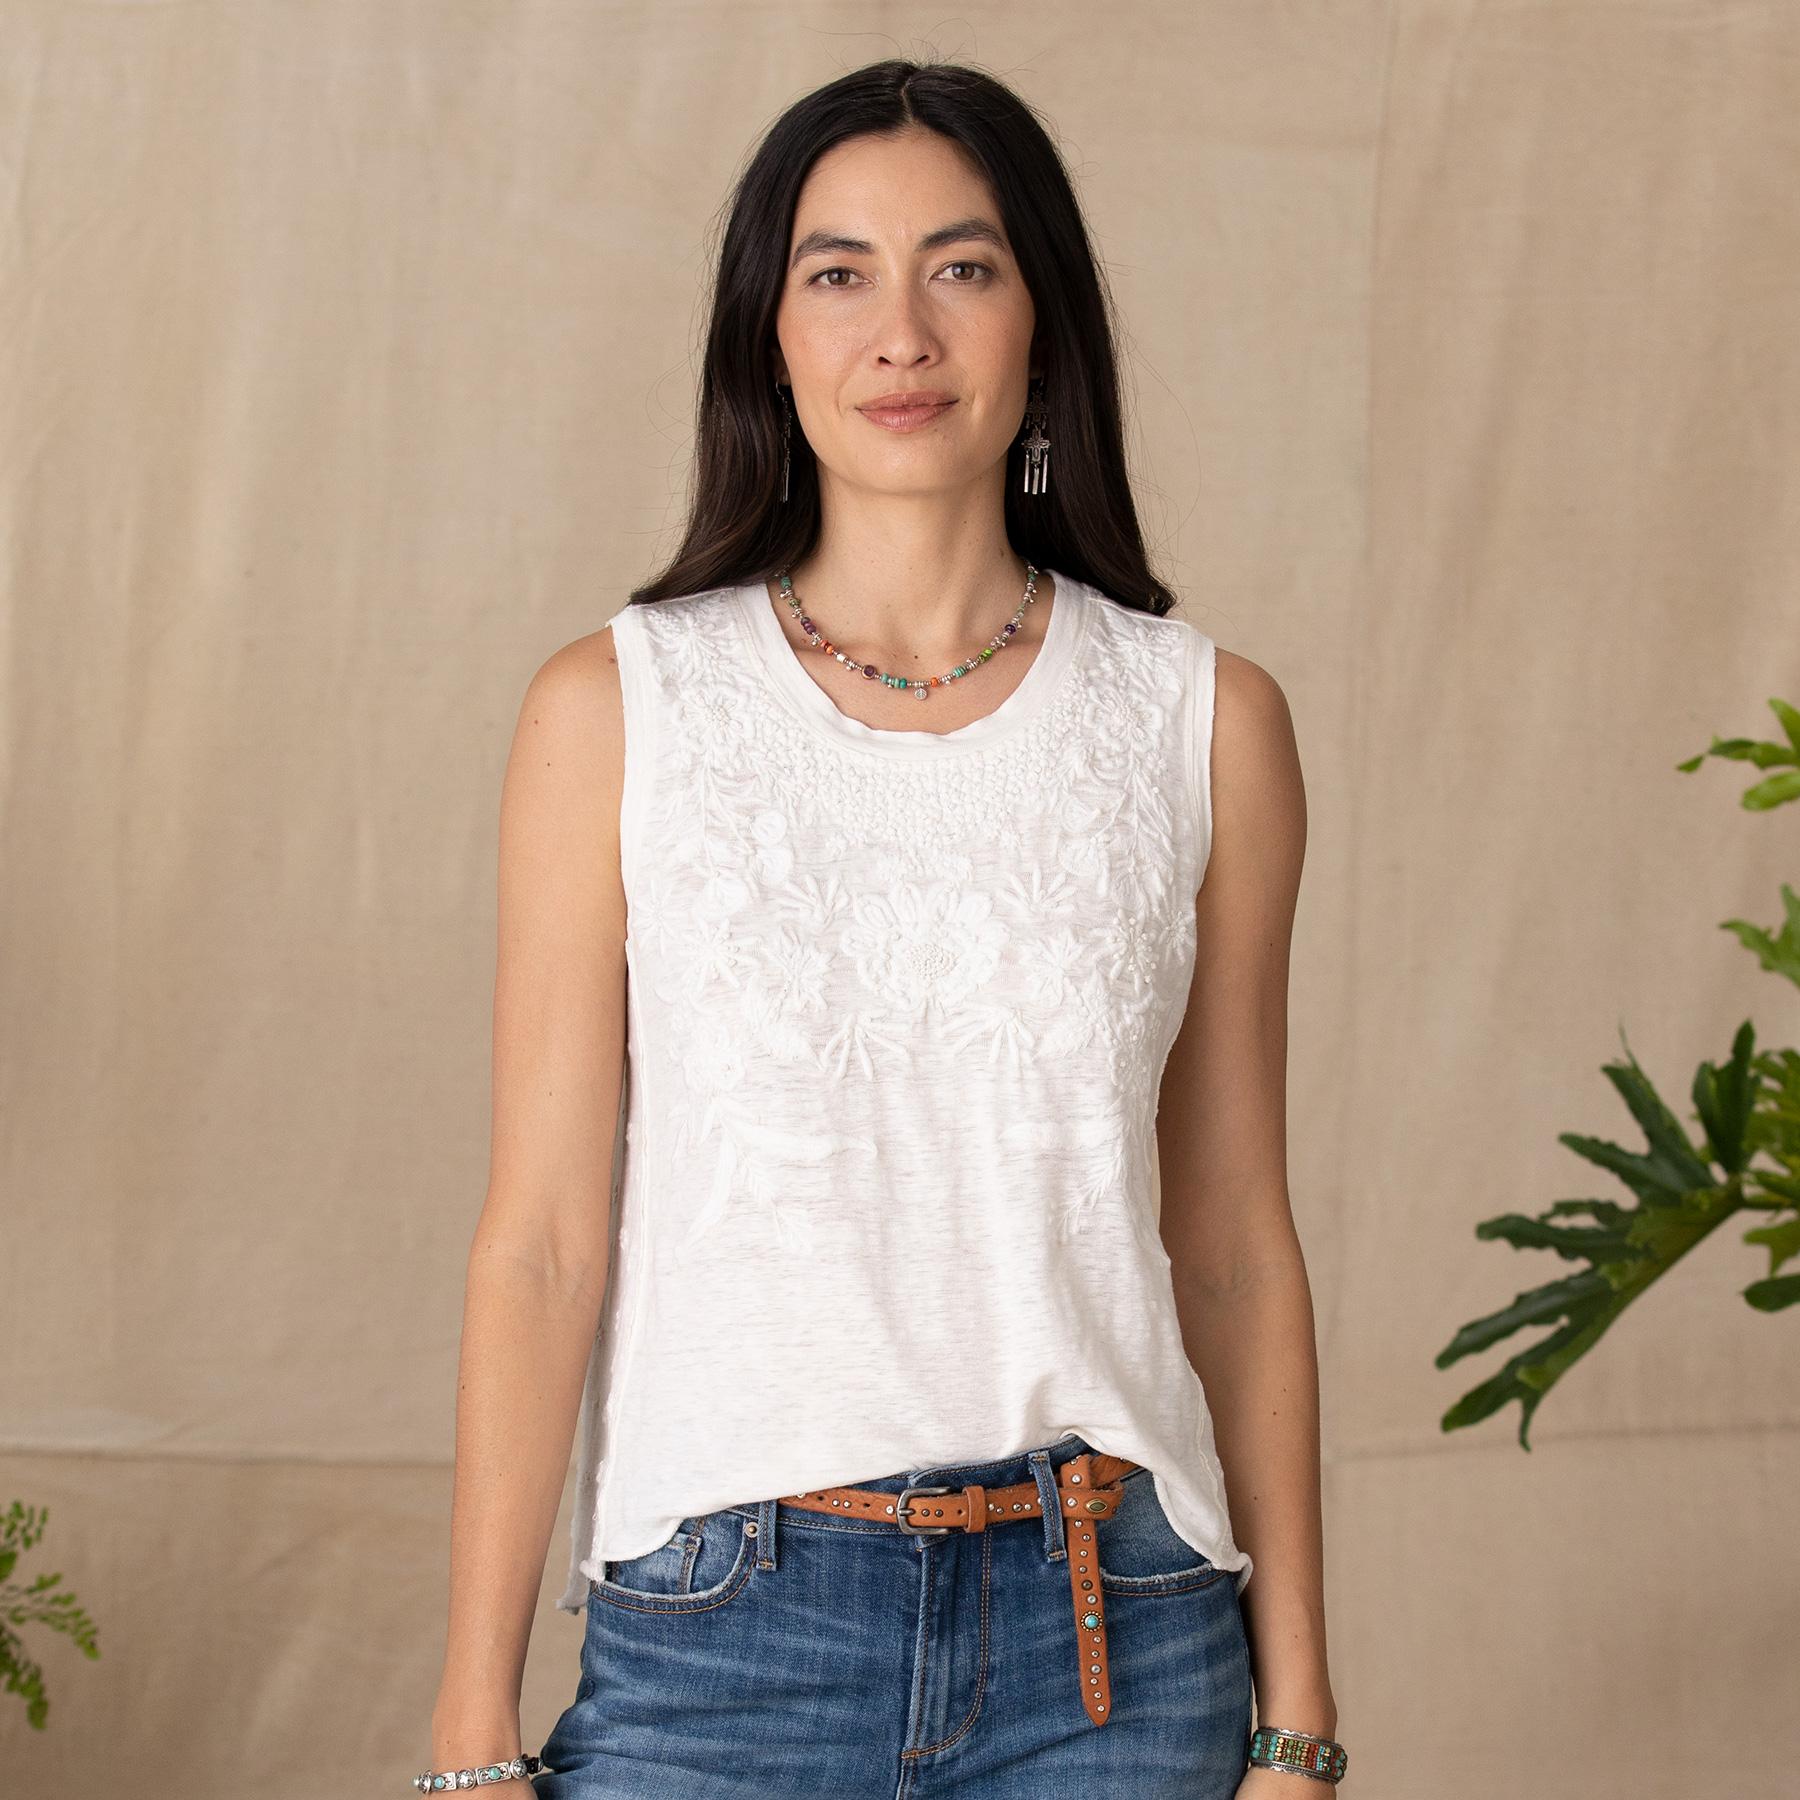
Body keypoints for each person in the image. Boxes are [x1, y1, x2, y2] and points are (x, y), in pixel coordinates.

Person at [421, 56, 1340, 1800]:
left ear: (1043, 330)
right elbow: (539, 1242)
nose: (901, 333)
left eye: (961, 268)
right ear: (768, 338)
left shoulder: (1205, 724)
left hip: (1115, 1642)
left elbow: (1232, 1239)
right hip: (724, 1643)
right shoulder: (618, 711)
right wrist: (472, 1729)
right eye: (838, 273)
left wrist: (1296, 1718)